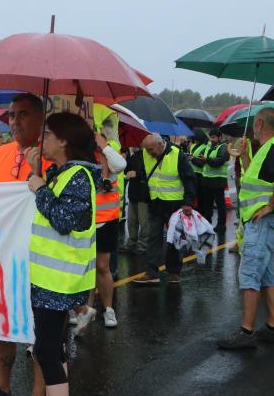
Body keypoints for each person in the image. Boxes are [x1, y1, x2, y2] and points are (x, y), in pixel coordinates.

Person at [10, 112, 97, 396]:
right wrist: (39, 176)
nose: (41, 138)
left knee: (45, 350)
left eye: (47, 133)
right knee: (52, 348)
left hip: (59, 281)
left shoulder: (79, 176)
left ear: (63, 140)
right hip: (49, 278)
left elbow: (63, 221)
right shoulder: (63, 174)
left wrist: (40, 187)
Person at [0, 93, 51, 396]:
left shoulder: (51, 153)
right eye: (11, 115)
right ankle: (3, 390)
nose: (15, 121)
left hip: (38, 256)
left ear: (40, 118)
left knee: (39, 330)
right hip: (2, 255)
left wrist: (40, 172)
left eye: (23, 114)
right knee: (1, 325)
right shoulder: (3, 152)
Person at [217, 107, 274, 349]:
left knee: (250, 273)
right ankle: (273, 327)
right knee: (267, 274)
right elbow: (254, 179)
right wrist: (244, 156)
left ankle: (247, 332)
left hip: (263, 222)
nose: (252, 127)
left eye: (254, 123)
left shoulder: (273, 148)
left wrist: (270, 206)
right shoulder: (268, 149)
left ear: (260, 123)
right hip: (263, 222)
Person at [76, 130, 127, 331]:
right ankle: (85, 309)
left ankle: (108, 309)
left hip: (106, 220)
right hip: (84, 222)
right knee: (85, 267)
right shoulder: (79, 156)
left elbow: (121, 165)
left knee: (102, 267)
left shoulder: (108, 156)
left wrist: (104, 146)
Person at [133, 134, 197, 285]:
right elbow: (143, 172)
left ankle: (174, 272)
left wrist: (188, 203)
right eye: (147, 150)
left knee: (174, 239)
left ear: (161, 145)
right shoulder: (145, 153)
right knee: (153, 238)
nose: (149, 153)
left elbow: (190, 179)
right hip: (155, 203)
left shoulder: (177, 155)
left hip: (175, 205)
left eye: (151, 149)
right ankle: (151, 272)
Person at [198, 128, 230, 239]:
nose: (212, 139)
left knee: (220, 204)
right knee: (208, 204)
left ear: (220, 137)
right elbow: (203, 160)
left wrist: (206, 160)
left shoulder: (223, 147)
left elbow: (219, 162)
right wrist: (198, 159)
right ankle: (207, 224)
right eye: (211, 137)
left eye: (214, 137)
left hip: (218, 180)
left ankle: (221, 225)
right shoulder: (209, 147)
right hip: (207, 180)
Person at [120, 147, 149, 255]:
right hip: (133, 192)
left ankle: (143, 244)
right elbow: (127, 169)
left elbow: (149, 172)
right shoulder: (133, 155)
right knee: (131, 220)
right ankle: (131, 242)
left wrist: (137, 174)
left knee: (144, 221)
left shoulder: (148, 155)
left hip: (143, 193)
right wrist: (124, 161)